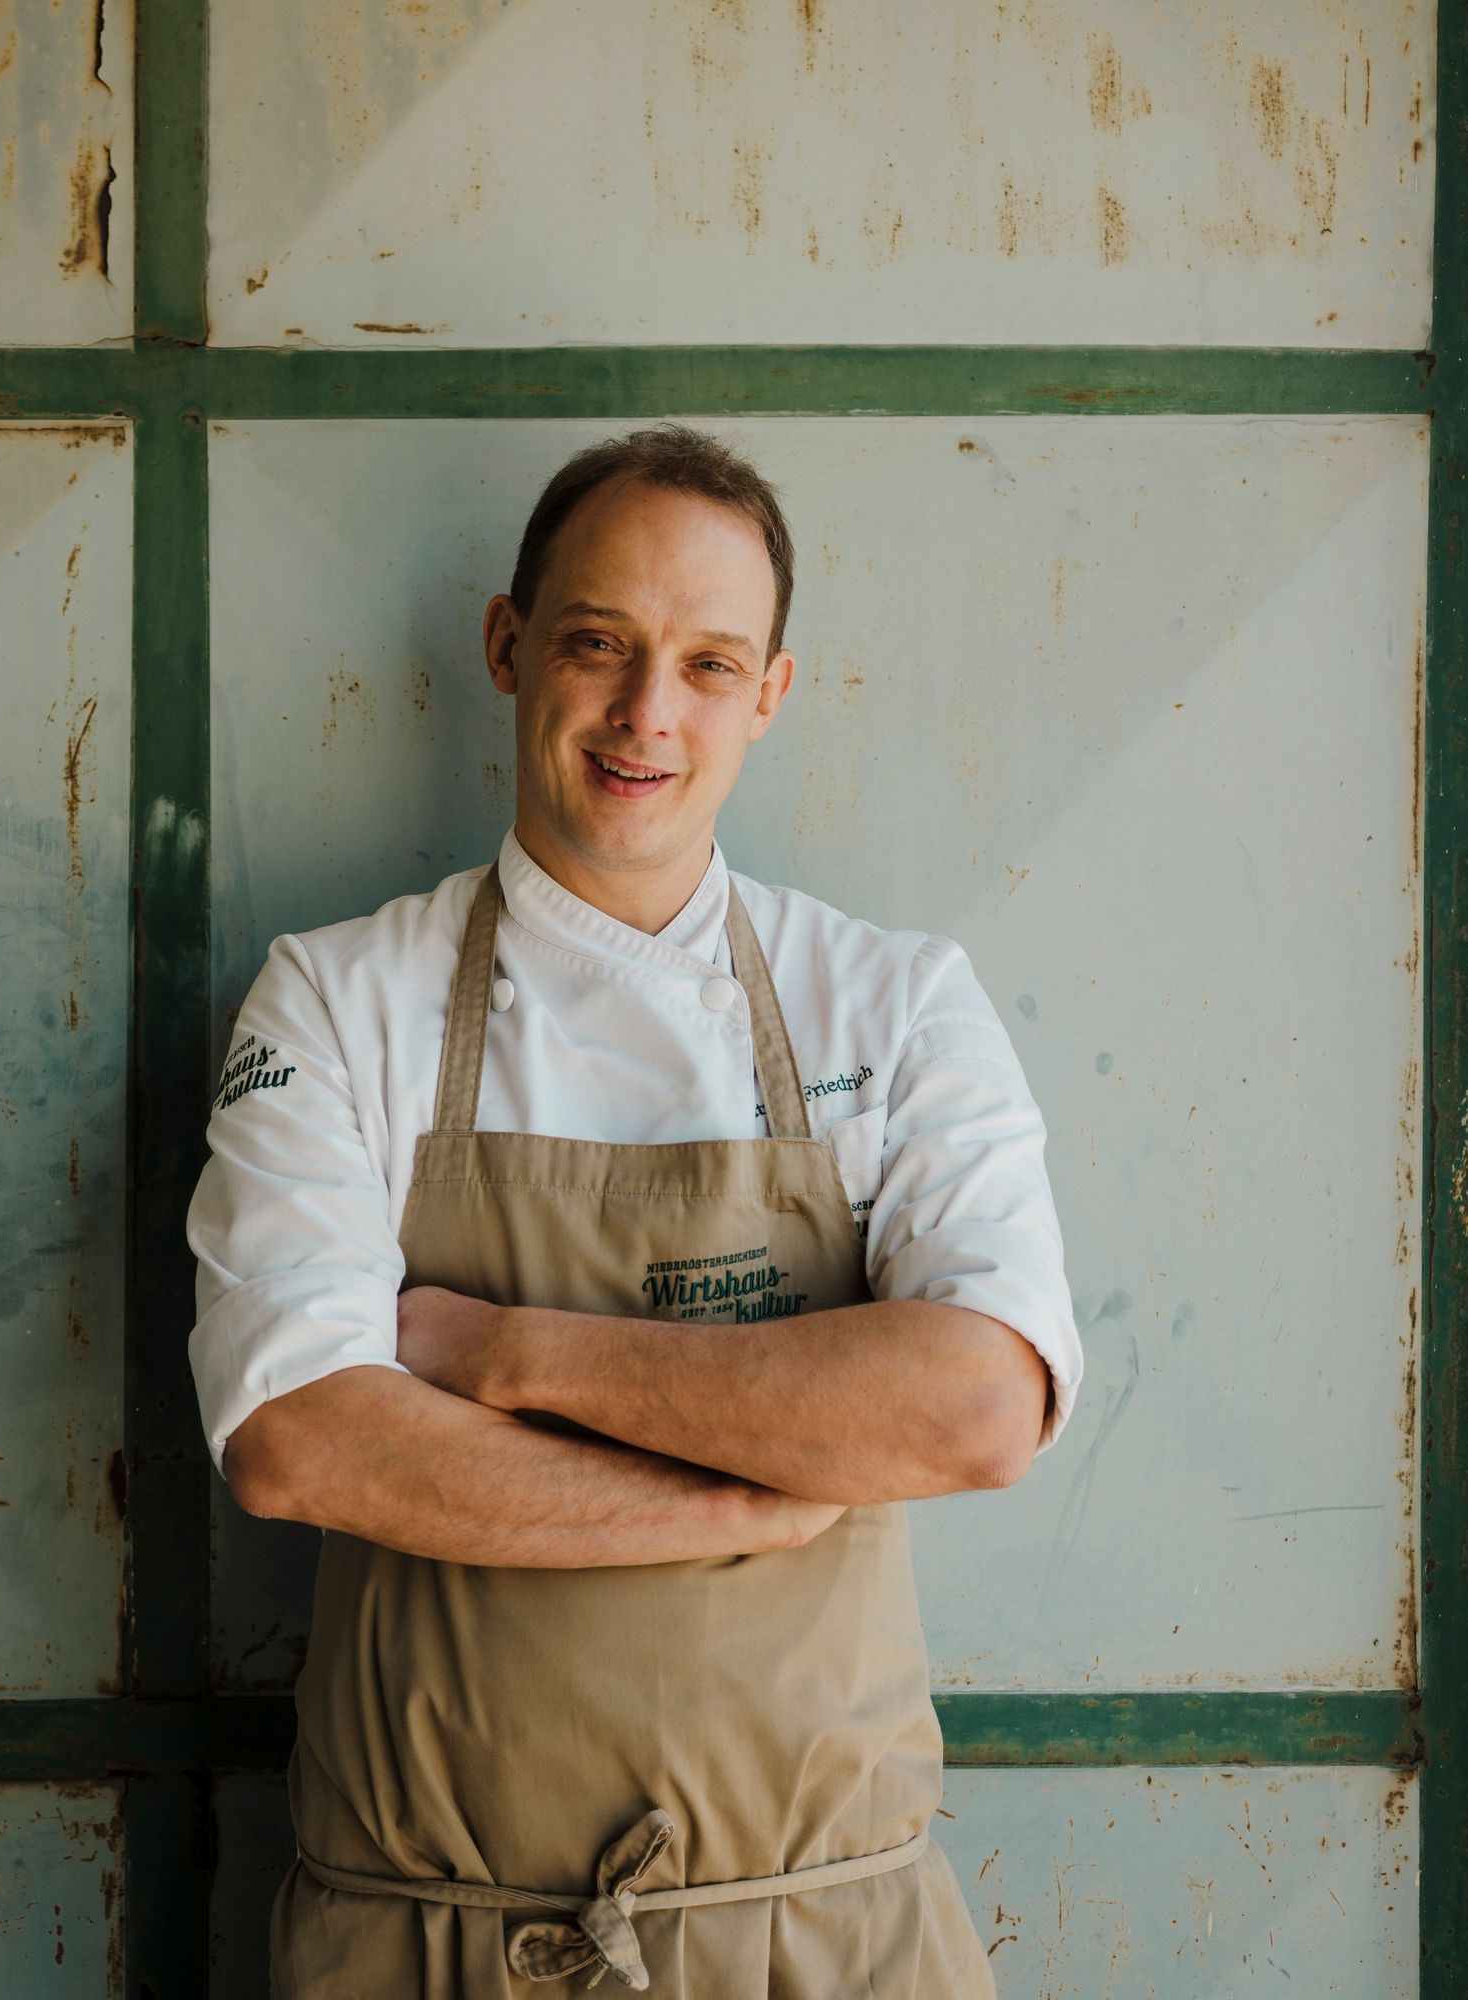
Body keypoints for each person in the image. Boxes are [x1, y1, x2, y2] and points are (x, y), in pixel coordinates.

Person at [187, 425, 1080, 1997]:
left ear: (770, 695)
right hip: (426, 1944)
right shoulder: (337, 999)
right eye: (597, 643)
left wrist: (505, 1352)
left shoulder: (891, 1004)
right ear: (506, 643)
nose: (645, 714)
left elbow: (977, 1407)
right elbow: (297, 1440)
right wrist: (746, 1505)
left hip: (832, 1940)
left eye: (708, 664)